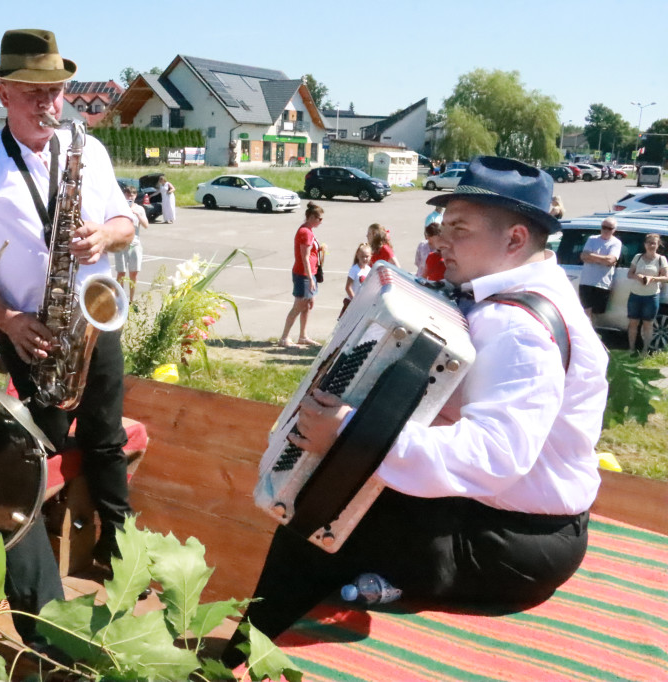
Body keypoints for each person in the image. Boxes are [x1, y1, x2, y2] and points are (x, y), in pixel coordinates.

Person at [224, 156, 607, 666]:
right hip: (518, 527)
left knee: (314, 512)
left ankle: (237, 663)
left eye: (459, 229)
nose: (441, 239)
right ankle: (256, 650)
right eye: (443, 226)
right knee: (335, 501)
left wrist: (351, 437)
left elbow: (494, 456)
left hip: (510, 547)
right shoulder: (530, 296)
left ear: (515, 239)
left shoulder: (517, 327)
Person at [0, 29, 139, 633]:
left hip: (92, 319)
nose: (49, 104)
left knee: (105, 439)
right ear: (2, 92)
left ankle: (125, 553)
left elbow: (128, 220)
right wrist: (9, 320)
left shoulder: (89, 151)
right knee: (33, 453)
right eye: (33, 93)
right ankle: (36, 581)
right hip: (32, 332)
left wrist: (106, 235)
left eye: (55, 91)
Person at [279, 202, 324, 348]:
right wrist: (310, 278)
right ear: (311, 217)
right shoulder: (305, 232)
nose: (321, 221)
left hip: (309, 273)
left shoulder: (309, 231)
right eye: (319, 218)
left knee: (307, 306)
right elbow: (304, 257)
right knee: (298, 306)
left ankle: (303, 336)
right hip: (303, 274)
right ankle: (284, 337)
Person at [626, 233, 668, 355]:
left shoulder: (661, 259)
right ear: (644, 244)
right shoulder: (638, 257)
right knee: (633, 323)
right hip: (635, 294)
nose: (651, 245)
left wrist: (652, 278)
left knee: (648, 324)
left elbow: (666, 277)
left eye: (653, 243)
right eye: (649, 242)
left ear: (658, 245)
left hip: (651, 296)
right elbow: (629, 274)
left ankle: (645, 350)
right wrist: (638, 276)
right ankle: (631, 349)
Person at [578, 216, 622, 324]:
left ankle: (593, 334)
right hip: (587, 281)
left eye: (609, 228)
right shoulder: (592, 239)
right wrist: (603, 259)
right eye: (604, 227)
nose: (606, 230)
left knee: (597, 314)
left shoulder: (616, 243)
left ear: (614, 230)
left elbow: (611, 260)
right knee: (585, 311)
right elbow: (583, 256)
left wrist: (592, 257)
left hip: (602, 283)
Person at [114, 183, 148, 303]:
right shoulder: (119, 207)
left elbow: (146, 225)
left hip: (135, 244)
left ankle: (132, 300)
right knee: (121, 273)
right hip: (122, 244)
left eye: (133, 194)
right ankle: (120, 299)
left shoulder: (139, 209)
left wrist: (137, 214)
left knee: (134, 275)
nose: (130, 196)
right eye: (128, 194)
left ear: (136, 196)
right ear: (124, 195)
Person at [340, 243, 372, 318]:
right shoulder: (354, 270)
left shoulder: (369, 270)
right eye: (362, 256)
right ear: (357, 255)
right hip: (352, 303)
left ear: (371, 256)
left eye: (367, 256)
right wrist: (355, 301)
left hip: (363, 303)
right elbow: (348, 287)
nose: (364, 259)